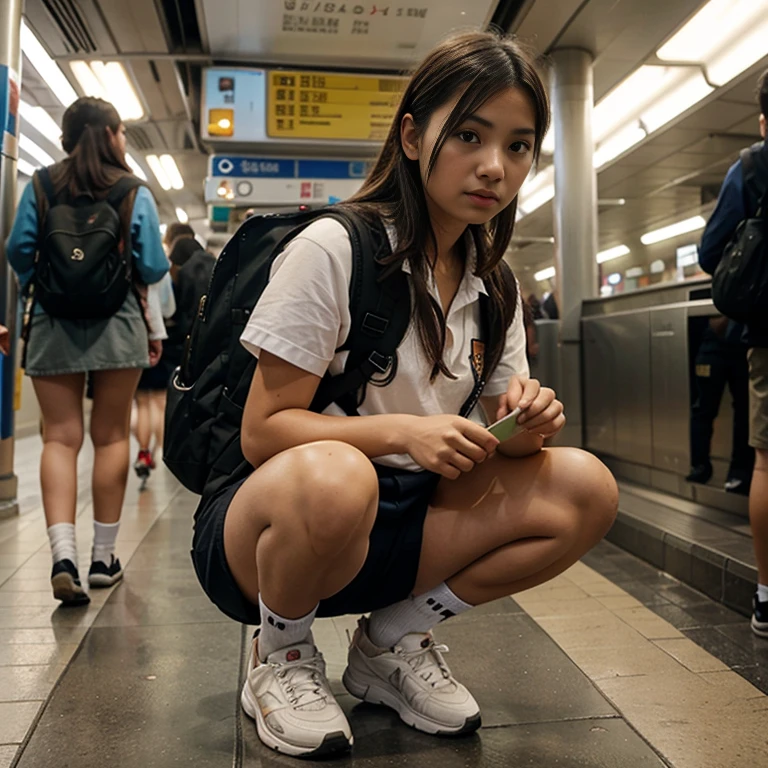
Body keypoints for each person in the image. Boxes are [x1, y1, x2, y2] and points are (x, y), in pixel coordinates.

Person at [189, 31, 618, 758]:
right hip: (277, 524)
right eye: (472, 135)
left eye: (518, 146)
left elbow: (500, 440)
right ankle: (282, 654)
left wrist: (529, 422)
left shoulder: (496, 288)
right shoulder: (336, 248)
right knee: (338, 475)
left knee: (584, 488)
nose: (494, 166)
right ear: (414, 137)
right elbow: (262, 431)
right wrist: (402, 435)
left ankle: (391, 641)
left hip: (406, 523)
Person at [5, 96, 168, 606]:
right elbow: (153, 265)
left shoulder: (40, 185)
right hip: (117, 322)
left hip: (53, 321)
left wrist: (50, 285)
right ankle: (103, 557)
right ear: (115, 135)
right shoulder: (131, 191)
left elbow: (17, 251)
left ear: (66, 137)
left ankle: (63, 557)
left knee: (59, 438)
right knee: (112, 436)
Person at [697, 68, 768, 638]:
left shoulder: (754, 165)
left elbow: (711, 250)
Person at [686, 316, 752, 494]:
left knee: (744, 411)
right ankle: (701, 466)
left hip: (740, 343)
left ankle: (738, 472)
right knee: (705, 410)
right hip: (723, 341)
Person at [134, 270, 176, 479]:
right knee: (159, 402)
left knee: (142, 403)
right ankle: (158, 452)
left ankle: (143, 453)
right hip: (158, 336)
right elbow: (169, 308)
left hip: (135, 335)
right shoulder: (160, 272)